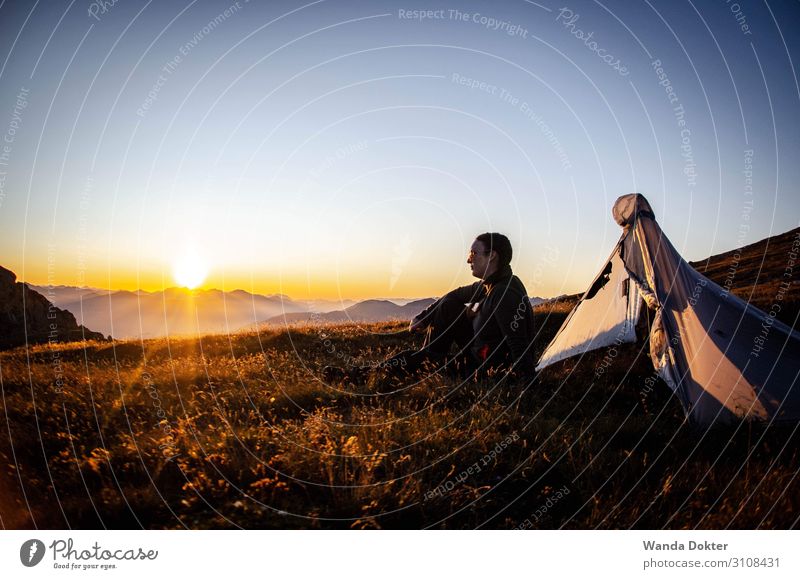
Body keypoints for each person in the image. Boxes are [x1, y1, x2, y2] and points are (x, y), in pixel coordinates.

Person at [324, 233, 536, 385]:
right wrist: (423, 317)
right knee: (451, 304)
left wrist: (525, 383)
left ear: (492, 256)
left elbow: (519, 343)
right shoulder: (490, 285)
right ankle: (429, 356)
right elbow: (453, 296)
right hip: (477, 349)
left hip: (481, 368)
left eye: (473, 253)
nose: (468, 260)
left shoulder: (504, 294)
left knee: (411, 359)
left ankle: (357, 375)